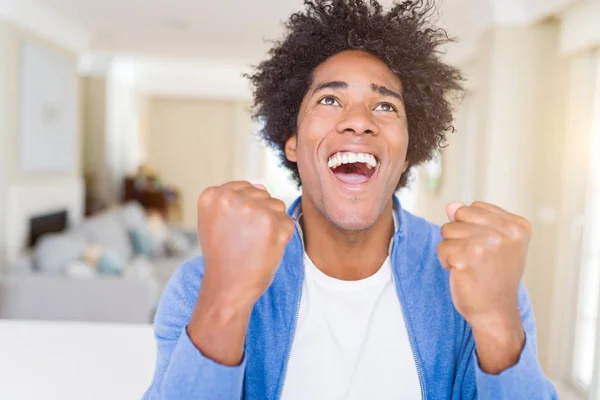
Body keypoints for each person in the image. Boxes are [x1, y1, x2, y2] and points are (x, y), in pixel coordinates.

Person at [143, 0, 557, 398]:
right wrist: (226, 298)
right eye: (329, 99)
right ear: (291, 140)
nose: (359, 120)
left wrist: (498, 323)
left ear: (409, 149)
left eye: (385, 105)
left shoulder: (480, 279)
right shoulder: (201, 284)